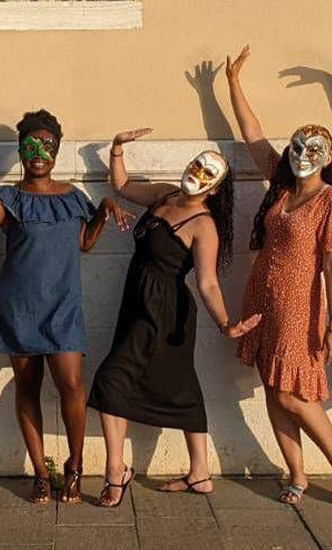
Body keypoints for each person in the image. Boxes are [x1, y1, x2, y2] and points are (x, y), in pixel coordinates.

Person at [0, 109, 131, 503]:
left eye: (47, 145)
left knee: (72, 385)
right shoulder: (9, 197)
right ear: (20, 151)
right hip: (19, 307)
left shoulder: (73, 196)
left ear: (57, 150)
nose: (39, 153)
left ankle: (74, 466)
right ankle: (39, 473)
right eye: (31, 145)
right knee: (27, 387)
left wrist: (104, 208)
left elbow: (84, 244)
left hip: (63, 307)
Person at [88, 128, 261, 507]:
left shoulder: (203, 224)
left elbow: (208, 282)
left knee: (111, 379)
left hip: (165, 311)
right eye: (197, 164)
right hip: (136, 303)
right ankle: (200, 473)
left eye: (208, 172)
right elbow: (123, 186)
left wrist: (225, 323)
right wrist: (116, 149)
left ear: (215, 189)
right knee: (181, 384)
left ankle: (115, 472)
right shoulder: (165, 194)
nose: (198, 172)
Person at [227, 46, 332, 505]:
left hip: (299, 305)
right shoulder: (281, 185)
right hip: (262, 297)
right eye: (298, 147)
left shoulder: (329, 201)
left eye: (314, 149)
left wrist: (330, 322)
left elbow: (330, 266)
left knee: (294, 394)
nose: (304, 155)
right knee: (273, 389)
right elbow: (253, 135)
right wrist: (232, 83)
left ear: (328, 156)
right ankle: (297, 474)